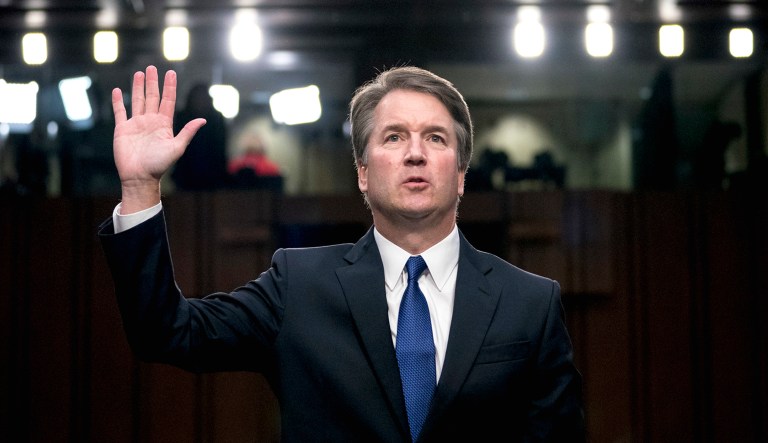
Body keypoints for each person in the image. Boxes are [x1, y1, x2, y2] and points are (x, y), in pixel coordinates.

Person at [99, 65, 585, 442]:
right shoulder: (298, 286)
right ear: (362, 172)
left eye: (435, 138)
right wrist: (140, 186)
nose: (414, 153)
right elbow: (166, 333)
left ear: (460, 174)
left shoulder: (530, 303)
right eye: (393, 137)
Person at [170, 83, 228, 191]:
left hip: (213, 174)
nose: (200, 101)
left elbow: (220, 148)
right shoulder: (182, 117)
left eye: (203, 98)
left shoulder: (216, 119)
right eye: (197, 97)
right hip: (186, 173)